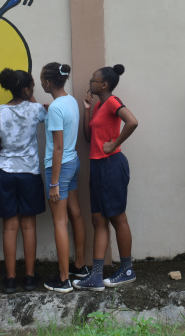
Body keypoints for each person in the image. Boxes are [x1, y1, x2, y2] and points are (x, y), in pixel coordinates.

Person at [73, 64, 139, 291]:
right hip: (99, 166)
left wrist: (114, 144)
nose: (90, 83)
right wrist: (87, 110)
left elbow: (132, 121)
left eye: (93, 80)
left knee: (117, 218)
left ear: (104, 85)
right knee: (98, 219)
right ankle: (97, 276)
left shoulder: (112, 101)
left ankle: (127, 269)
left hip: (111, 165)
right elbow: (88, 138)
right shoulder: (100, 105)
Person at [0, 68, 47, 294]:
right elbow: (43, 110)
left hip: (5, 171)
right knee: (28, 226)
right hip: (29, 173)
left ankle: (10, 279)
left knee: (9, 227)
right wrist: (29, 94)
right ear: (27, 89)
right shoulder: (35, 110)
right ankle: (30, 277)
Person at [39, 63, 88, 293]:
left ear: (48, 82)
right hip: (73, 162)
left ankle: (63, 279)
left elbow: (57, 147)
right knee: (76, 214)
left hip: (58, 167)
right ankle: (80, 266)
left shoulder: (57, 108)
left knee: (60, 221)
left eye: (41, 80)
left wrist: (54, 183)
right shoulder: (69, 101)